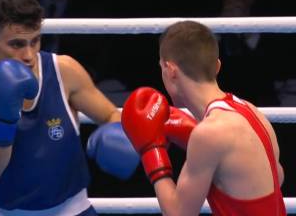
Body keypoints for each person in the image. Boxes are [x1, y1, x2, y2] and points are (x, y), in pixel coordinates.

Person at [0, 0, 139, 216]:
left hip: (74, 210)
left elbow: (111, 115)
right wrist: (4, 117)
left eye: (35, 41)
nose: (28, 54)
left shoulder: (64, 70)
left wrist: (119, 135)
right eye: (16, 44)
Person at [121, 21, 286, 215]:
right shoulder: (250, 110)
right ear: (217, 66)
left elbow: (178, 214)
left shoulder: (209, 134)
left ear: (170, 70)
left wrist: (151, 152)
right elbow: (277, 177)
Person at [214, 0, 280, 106]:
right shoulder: (200, 23)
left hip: (261, 109)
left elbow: (273, 73)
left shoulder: (277, 24)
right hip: (213, 106)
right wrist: (220, 26)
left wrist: (247, 30)